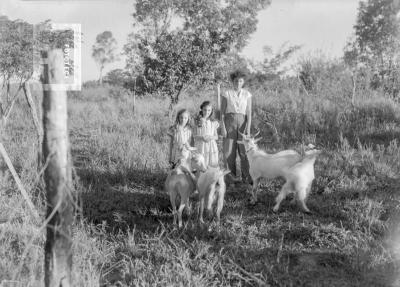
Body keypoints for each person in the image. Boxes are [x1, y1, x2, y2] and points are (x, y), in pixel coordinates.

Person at [220, 69, 252, 184]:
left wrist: (248, 128)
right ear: (232, 81)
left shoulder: (247, 94)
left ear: (243, 82)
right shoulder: (226, 93)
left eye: (240, 81)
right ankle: (230, 179)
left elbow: (249, 112)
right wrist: (223, 127)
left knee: (244, 152)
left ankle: (246, 178)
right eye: (236, 81)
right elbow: (222, 112)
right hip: (229, 122)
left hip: (243, 122)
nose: (238, 83)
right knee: (229, 152)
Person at [194, 101, 219, 168]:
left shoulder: (213, 122)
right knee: (202, 164)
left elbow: (216, 137)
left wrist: (211, 137)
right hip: (201, 146)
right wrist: (202, 138)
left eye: (209, 110)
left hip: (211, 146)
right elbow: (194, 136)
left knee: (211, 165)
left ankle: (210, 177)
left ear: (211, 111)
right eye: (205, 110)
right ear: (201, 110)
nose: (207, 112)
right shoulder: (197, 121)